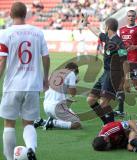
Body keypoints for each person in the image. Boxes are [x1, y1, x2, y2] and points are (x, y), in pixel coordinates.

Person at [0, 2, 50, 160]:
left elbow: (2, 61)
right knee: (28, 123)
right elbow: (46, 57)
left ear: (10, 14)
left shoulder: (5, 33)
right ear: (26, 14)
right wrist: (45, 78)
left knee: (9, 124)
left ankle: (9, 158)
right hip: (32, 85)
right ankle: (31, 149)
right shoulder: (38, 32)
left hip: (12, 85)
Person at [87, 18, 130, 125]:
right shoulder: (107, 37)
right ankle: (107, 125)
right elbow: (97, 32)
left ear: (108, 27)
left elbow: (125, 62)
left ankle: (111, 127)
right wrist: (86, 23)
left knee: (103, 103)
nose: (104, 28)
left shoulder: (119, 43)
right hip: (105, 73)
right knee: (91, 100)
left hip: (114, 75)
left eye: (105, 26)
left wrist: (126, 80)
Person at [34, 62, 82, 130]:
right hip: (57, 107)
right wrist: (74, 82)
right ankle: (53, 123)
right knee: (77, 123)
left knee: (67, 107)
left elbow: (47, 87)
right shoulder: (71, 74)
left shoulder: (54, 72)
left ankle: (42, 122)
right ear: (73, 70)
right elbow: (73, 93)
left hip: (46, 107)